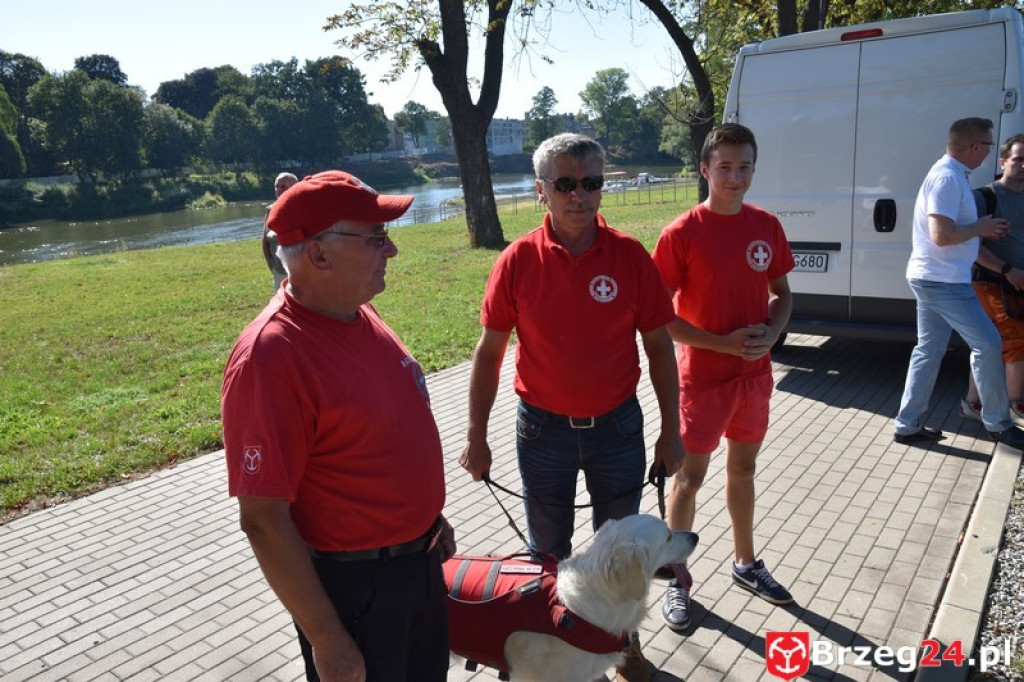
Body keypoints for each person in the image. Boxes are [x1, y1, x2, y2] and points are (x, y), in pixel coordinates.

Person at [459, 133, 684, 682]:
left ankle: (622, 650)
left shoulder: (630, 256)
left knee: (624, 554)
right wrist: (476, 435)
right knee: (546, 555)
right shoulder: (517, 261)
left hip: (618, 430)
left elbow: (659, 350)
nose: (580, 195)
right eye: (566, 184)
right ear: (541, 191)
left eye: (591, 183)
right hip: (543, 434)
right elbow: (489, 355)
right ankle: (544, 655)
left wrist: (671, 432)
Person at [222, 170, 456, 682]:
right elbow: (263, 519)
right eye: (375, 238)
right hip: (357, 592)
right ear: (319, 256)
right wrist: (327, 639)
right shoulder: (271, 357)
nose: (390, 250)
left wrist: (426, 521)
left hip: (416, 565)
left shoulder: (356, 312)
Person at [650, 123, 796, 633]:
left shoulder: (766, 225)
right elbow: (659, 317)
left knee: (745, 472)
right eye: (726, 167)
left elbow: (782, 293)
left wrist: (773, 331)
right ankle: (676, 578)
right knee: (688, 479)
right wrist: (722, 344)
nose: (735, 177)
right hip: (703, 380)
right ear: (704, 169)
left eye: (745, 167)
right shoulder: (681, 233)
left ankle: (746, 562)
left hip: (753, 378)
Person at [893, 117, 1024, 450]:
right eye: (989, 147)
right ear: (975, 147)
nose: (987, 154)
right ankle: (998, 423)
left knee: (928, 351)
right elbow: (942, 235)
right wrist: (980, 227)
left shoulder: (951, 175)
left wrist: (978, 228)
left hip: (934, 278)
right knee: (989, 344)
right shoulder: (948, 178)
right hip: (944, 282)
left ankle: (907, 425)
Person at [959, 134, 1024, 426]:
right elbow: (968, 245)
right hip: (992, 281)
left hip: (1019, 281)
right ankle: (1014, 406)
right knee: (1013, 341)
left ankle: (974, 401)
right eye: (1018, 159)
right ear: (1003, 162)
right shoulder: (985, 197)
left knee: (987, 344)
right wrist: (1007, 269)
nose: (1023, 166)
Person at [262, 172, 298, 291]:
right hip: (279, 272)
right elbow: (265, 241)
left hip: (301, 272)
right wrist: (271, 267)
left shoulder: (302, 209)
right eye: (277, 186)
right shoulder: (270, 210)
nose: (279, 190)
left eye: (283, 187)